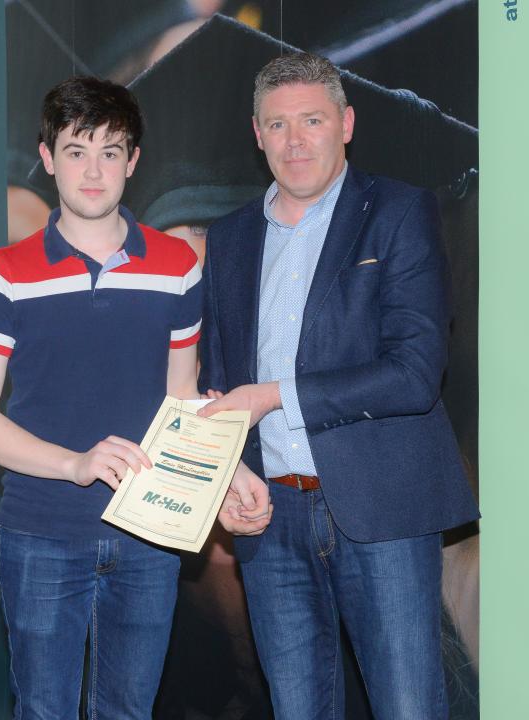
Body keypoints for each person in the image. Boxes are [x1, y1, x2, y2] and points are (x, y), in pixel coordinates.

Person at [198, 52, 479, 718]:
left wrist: (273, 396)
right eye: (278, 124)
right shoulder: (232, 237)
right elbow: (217, 380)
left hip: (380, 513)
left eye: (313, 120)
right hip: (271, 519)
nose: (295, 141)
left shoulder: (400, 212)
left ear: (346, 124)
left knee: (408, 708)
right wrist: (229, 478)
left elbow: (414, 373)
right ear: (257, 132)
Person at [0, 76, 202, 719]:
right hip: (41, 534)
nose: (93, 171)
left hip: (149, 535)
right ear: (46, 158)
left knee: (129, 712)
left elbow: (182, 396)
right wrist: (74, 463)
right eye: (75, 150)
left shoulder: (179, 265)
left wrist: (215, 458)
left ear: (133, 162)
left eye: (111, 151)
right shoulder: (4, 274)